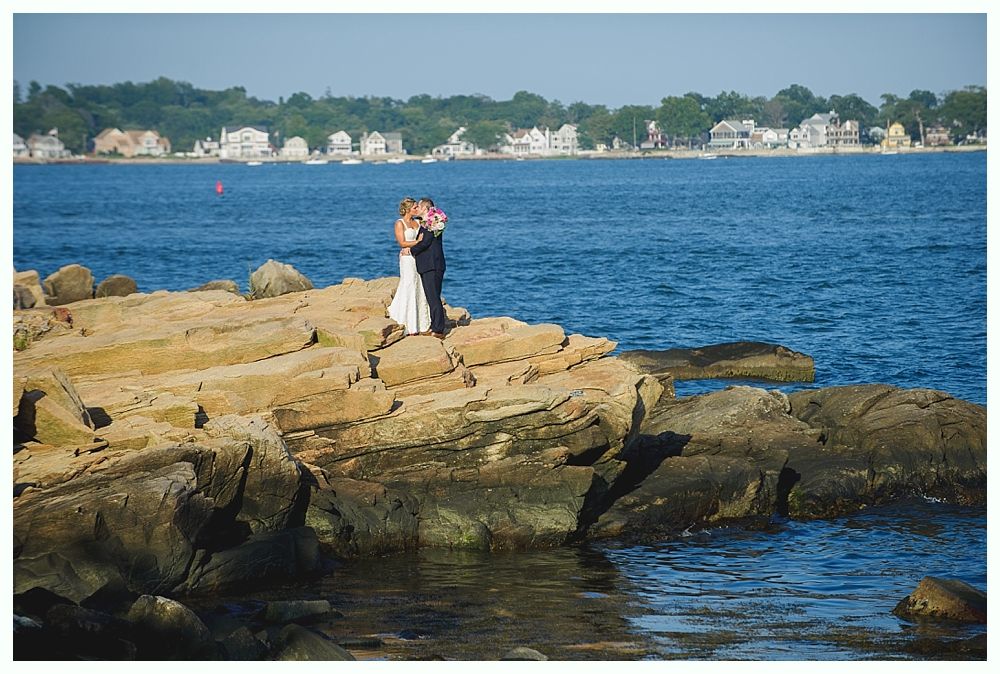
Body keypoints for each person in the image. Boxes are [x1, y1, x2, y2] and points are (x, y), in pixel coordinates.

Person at [386, 197, 432, 335]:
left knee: (420, 285)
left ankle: (422, 323)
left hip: (418, 257)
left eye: (418, 207)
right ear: (407, 209)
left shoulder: (418, 222)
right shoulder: (400, 223)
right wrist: (416, 242)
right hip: (407, 259)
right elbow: (402, 243)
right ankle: (408, 323)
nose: (417, 209)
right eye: (414, 207)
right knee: (409, 284)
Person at [409, 197, 447, 338]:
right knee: (432, 296)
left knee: (433, 297)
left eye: (418, 206)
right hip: (432, 264)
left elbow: (425, 242)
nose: (417, 208)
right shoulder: (430, 222)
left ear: (425, 208)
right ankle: (434, 326)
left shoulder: (430, 224)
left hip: (432, 265)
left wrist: (410, 251)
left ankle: (438, 329)